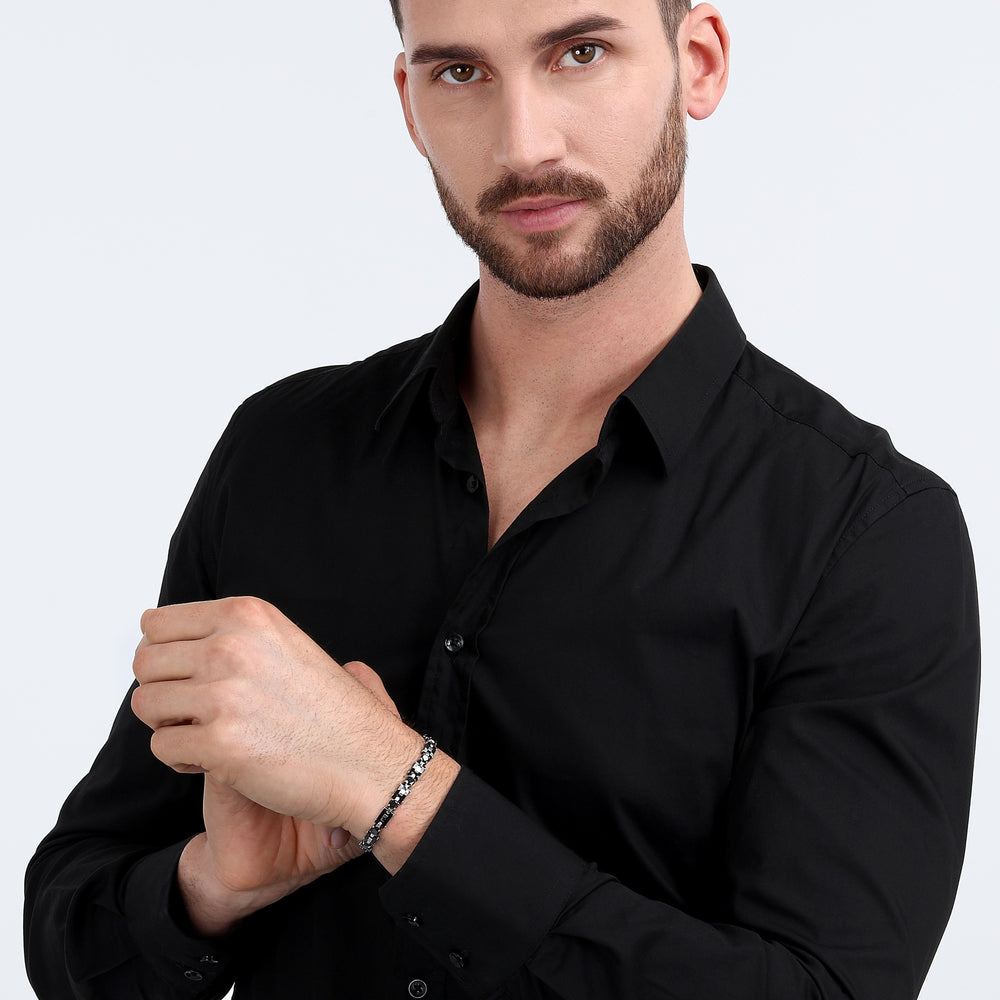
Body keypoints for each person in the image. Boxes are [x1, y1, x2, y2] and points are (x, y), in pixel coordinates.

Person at [24, 1, 979, 998]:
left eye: (580, 53)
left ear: (696, 63)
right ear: (410, 104)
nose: (524, 145)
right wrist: (213, 885)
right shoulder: (282, 453)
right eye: (461, 73)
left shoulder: (866, 534)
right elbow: (72, 934)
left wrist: (395, 790)